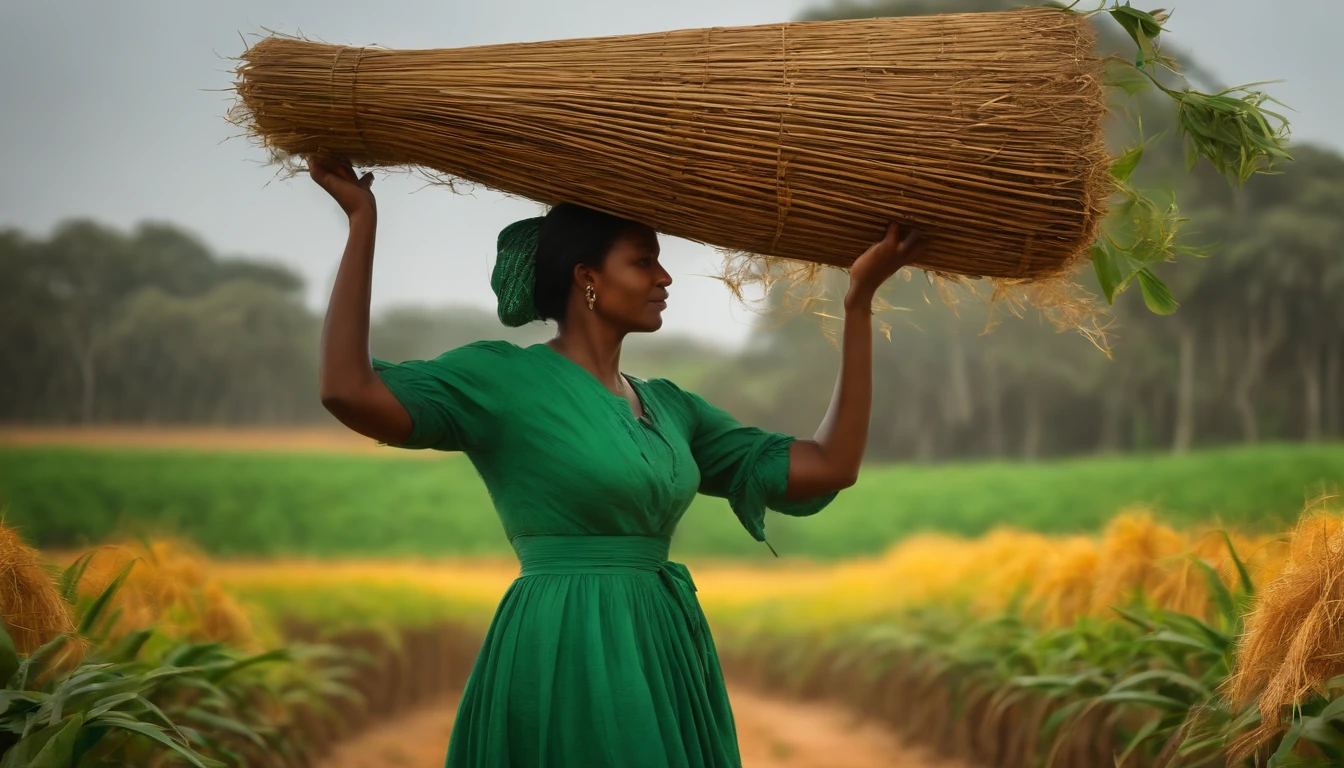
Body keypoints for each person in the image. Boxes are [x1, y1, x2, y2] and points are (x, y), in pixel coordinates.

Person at [308, 154, 926, 767]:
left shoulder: (670, 408)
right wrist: (362, 222)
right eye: (644, 261)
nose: (665, 278)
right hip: (561, 644)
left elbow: (829, 464)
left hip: (660, 646)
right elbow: (348, 389)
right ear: (587, 278)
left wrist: (858, 304)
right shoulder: (504, 381)